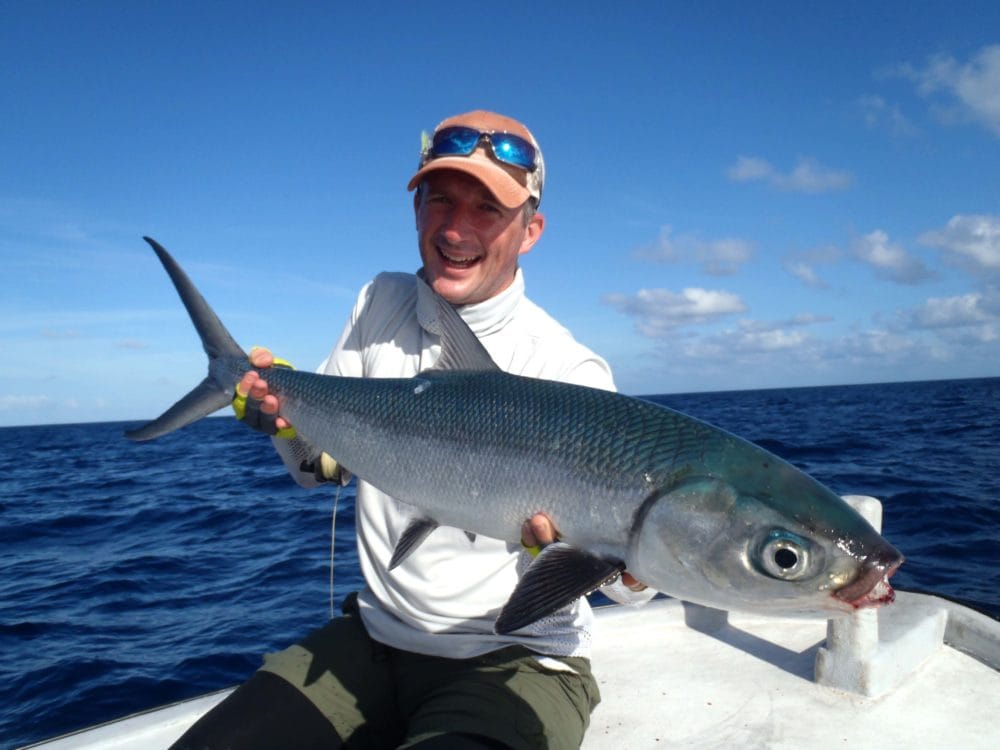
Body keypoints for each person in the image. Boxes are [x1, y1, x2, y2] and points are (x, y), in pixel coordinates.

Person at [171, 110, 654, 750]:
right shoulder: (382, 301)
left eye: (488, 208)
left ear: (531, 230)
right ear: (416, 209)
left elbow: (631, 591)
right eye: (440, 200)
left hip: (516, 657)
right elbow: (318, 468)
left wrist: (598, 557)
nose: (456, 228)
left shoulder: (568, 370)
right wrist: (283, 420)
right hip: (378, 636)